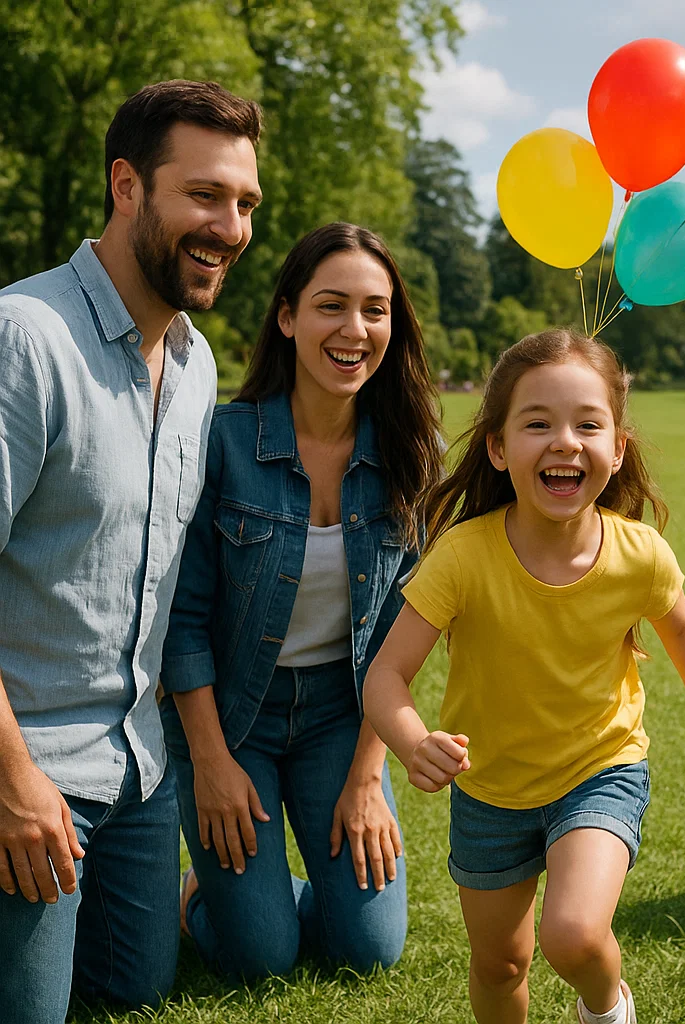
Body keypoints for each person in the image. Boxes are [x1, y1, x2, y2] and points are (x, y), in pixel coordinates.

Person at [362, 329, 685, 1024]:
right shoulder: (463, 557)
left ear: (617, 448)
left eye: (588, 424)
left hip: (599, 768)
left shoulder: (640, 555)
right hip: (489, 789)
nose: (564, 442)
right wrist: (410, 738)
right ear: (497, 446)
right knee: (500, 964)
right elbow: (387, 676)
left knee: (573, 935)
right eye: (537, 423)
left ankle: (608, 1007)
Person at [0, 80, 262, 1021]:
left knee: (137, 991)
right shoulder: (24, 339)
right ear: (126, 187)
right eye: (203, 196)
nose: (228, 227)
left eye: (243, 204)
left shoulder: (196, 365)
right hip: (25, 766)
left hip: (140, 772)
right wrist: (14, 782)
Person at [158, 223, 440, 980]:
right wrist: (211, 762)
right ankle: (204, 895)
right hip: (231, 717)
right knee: (261, 957)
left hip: (341, 717)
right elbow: (180, 620)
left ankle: (298, 896)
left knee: (368, 952)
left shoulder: (411, 455)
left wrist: (365, 781)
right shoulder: (224, 441)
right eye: (331, 306)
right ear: (287, 316)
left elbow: (396, 638)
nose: (355, 330)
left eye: (375, 310)